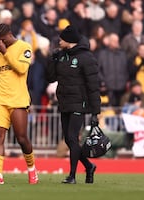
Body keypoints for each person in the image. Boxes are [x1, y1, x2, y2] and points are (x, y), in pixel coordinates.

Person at [0, 23, 38, 185]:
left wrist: (6, 53)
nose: (0, 43)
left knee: (21, 138)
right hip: (0, 99)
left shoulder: (24, 47)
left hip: (18, 99)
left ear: (9, 35)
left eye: (2, 40)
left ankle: (32, 169)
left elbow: (21, 69)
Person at [45, 25, 101, 184]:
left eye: (61, 38)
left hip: (79, 104)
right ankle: (89, 166)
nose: (59, 40)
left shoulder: (86, 58)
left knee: (71, 137)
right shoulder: (61, 56)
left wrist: (95, 112)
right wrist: (52, 60)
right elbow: (50, 78)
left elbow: (93, 86)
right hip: (64, 102)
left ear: (69, 41)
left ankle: (72, 175)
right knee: (70, 140)